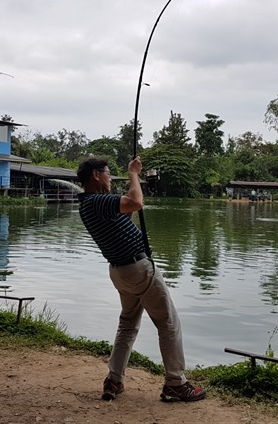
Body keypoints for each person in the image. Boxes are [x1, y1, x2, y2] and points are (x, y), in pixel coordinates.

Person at [76, 156, 206, 403]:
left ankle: (114, 380)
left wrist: (131, 185)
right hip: (138, 270)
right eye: (108, 173)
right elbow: (135, 202)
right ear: (95, 175)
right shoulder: (97, 201)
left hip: (120, 271)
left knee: (127, 324)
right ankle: (176, 384)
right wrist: (134, 174)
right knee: (169, 323)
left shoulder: (91, 204)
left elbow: (126, 208)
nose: (110, 177)